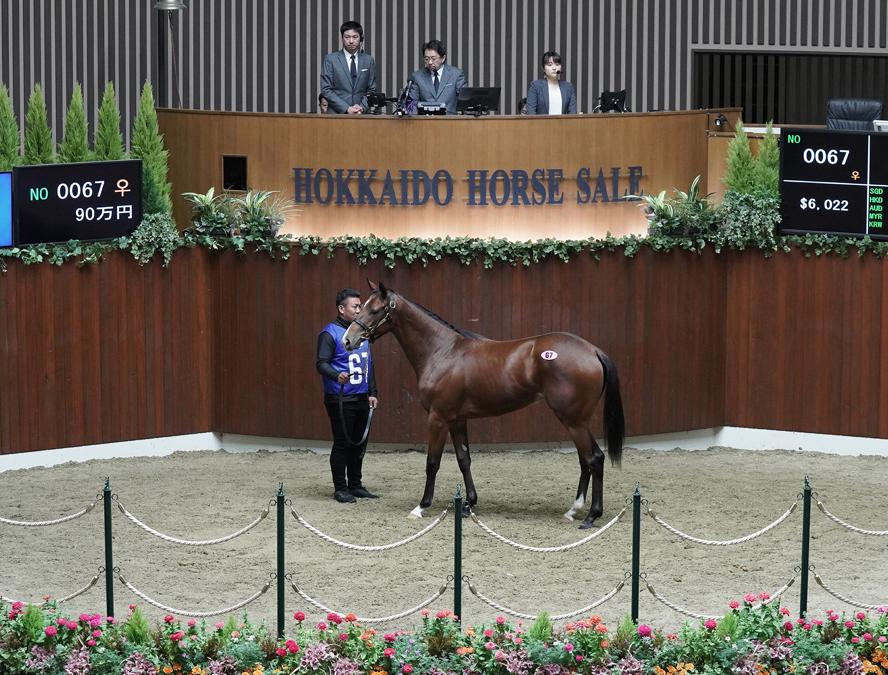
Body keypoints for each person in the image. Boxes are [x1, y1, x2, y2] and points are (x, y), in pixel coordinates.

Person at [316, 288, 379, 503]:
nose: (359, 310)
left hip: (362, 397)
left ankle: (355, 485)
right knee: (343, 443)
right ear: (341, 309)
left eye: (360, 306)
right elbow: (321, 363)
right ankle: (341, 488)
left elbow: (368, 364)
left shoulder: (362, 332)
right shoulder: (329, 333)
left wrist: (372, 392)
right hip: (340, 398)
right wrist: (337, 375)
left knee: (359, 444)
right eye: (355, 306)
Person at [320, 20, 377, 114]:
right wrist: (346, 108)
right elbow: (326, 89)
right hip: (336, 113)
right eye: (347, 37)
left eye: (355, 37)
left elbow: (371, 90)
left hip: (361, 114)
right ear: (342, 38)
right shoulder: (330, 59)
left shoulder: (368, 60)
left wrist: (361, 107)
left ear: (361, 38)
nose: (351, 41)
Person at [408, 39, 466, 114]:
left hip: (450, 120)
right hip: (425, 120)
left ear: (443, 58)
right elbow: (412, 105)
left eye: (433, 59)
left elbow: (465, 101)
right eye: (426, 59)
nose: (430, 62)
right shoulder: (417, 77)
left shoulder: (456, 75)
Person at [525, 51, 577, 115]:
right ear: (543, 68)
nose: (554, 68)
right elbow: (531, 112)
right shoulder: (535, 86)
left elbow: (572, 113)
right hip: (540, 122)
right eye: (550, 65)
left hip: (563, 122)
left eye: (557, 64)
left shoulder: (568, 87)